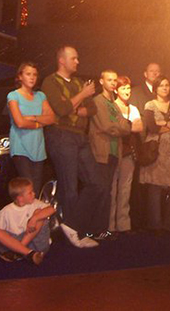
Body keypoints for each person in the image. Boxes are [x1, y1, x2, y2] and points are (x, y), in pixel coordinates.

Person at [40, 46, 97, 242]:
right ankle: (74, 232)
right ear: (62, 61)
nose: (77, 62)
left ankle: (71, 224)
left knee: (96, 183)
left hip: (80, 136)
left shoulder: (78, 82)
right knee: (69, 185)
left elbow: (92, 109)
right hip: (61, 136)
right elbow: (62, 108)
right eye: (74, 58)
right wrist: (81, 96)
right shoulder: (50, 82)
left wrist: (75, 105)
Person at [84, 70, 133, 240]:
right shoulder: (98, 101)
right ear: (101, 81)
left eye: (114, 80)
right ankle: (93, 229)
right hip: (101, 151)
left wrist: (121, 126)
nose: (112, 83)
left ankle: (102, 228)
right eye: (109, 80)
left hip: (114, 152)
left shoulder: (113, 103)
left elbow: (127, 126)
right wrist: (121, 126)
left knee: (108, 192)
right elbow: (107, 126)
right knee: (101, 190)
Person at [141, 77, 170, 235]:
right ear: (156, 88)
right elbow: (152, 128)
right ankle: (155, 225)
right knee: (155, 187)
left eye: (167, 85)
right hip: (156, 149)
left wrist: (162, 123)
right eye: (161, 86)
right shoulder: (150, 105)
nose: (165, 88)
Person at [7, 62, 56, 193]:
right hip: (21, 146)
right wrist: (39, 123)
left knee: (36, 187)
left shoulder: (40, 96)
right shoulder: (13, 95)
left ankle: (33, 213)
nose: (32, 77)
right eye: (28, 74)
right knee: (27, 186)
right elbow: (20, 123)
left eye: (34, 74)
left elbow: (51, 118)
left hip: (38, 147)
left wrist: (33, 117)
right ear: (20, 76)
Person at [0, 177, 56, 265]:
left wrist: (34, 218)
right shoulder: (6, 211)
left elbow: (52, 209)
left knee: (40, 214)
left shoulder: (35, 203)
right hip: (15, 242)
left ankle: (19, 252)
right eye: (30, 193)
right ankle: (29, 253)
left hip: (35, 243)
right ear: (20, 198)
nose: (34, 194)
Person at [109, 76, 144, 233]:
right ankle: (109, 224)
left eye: (128, 88)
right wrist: (128, 126)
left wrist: (124, 126)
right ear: (116, 90)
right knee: (112, 189)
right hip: (114, 151)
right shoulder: (111, 106)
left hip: (128, 152)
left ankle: (123, 224)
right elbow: (113, 128)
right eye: (123, 88)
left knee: (125, 189)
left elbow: (139, 127)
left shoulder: (133, 108)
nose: (127, 91)